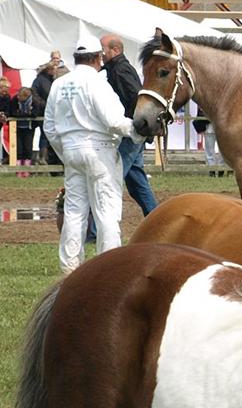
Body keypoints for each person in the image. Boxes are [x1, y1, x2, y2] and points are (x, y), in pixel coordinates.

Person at [42, 35, 136, 273]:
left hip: (71, 152)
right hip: (100, 151)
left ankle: (70, 268)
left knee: (74, 211)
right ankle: (108, 267)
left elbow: (50, 127)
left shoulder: (59, 84)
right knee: (107, 211)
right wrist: (138, 130)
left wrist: (65, 152)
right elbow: (114, 121)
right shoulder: (97, 83)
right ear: (98, 58)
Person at [101, 34, 158, 215]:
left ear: (115, 50)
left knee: (112, 178)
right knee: (137, 183)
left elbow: (136, 97)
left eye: (104, 50)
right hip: (132, 132)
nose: (101, 54)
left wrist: (134, 126)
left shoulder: (120, 70)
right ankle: (155, 217)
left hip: (130, 133)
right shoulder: (116, 68)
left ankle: (93, 228)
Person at [32, 51, 62, 164]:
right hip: (42, 112)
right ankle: (42, 158)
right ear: (49, 70)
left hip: (53, 111)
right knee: (45, 135)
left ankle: (50, 159)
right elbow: (34, 94)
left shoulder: (53, 81)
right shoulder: (40, 80)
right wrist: (44, 104)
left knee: (51, 135)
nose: (55, 70)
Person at [10, 86, 38, 176]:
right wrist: (26, 114)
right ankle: (18, 170)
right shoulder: (14, 100)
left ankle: (26, 170)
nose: (18, 97)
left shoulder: (34, 101)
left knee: (28, 149)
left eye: (21, 96)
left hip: (29, 128)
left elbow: (35, 113)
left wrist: (22, 114)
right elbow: (13, 112)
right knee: (19, 149)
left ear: (26, 96)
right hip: (18, 127)